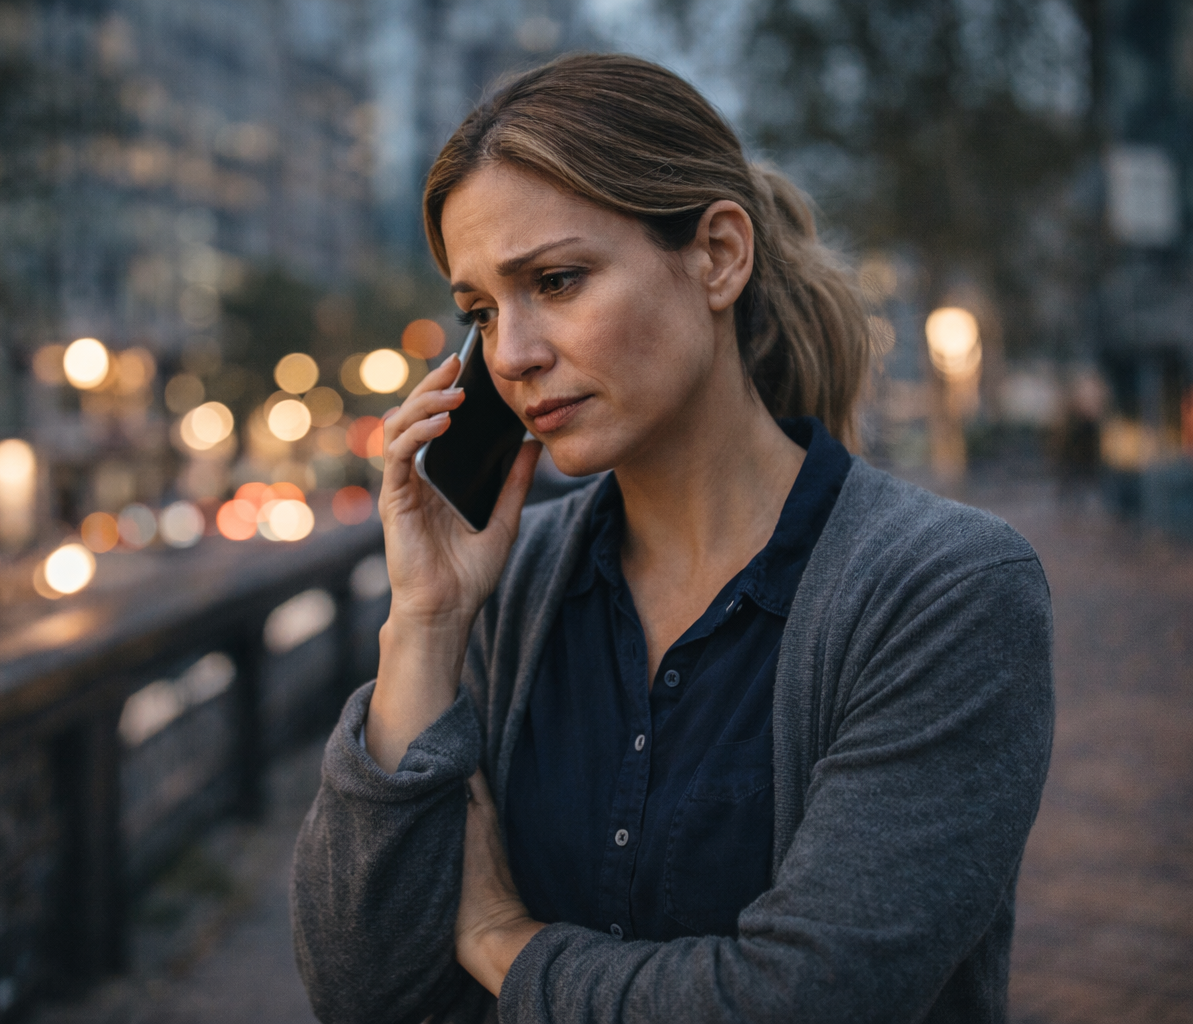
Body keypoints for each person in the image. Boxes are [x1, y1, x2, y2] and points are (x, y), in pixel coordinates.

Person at [291, 54, 1053, 1024]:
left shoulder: (944, 591)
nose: (512, 355)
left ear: (720, 256)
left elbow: (803, 1001)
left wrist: (496, 938)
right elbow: (360, 991)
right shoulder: (508, 589)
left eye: (556, 281)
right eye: (480, 311)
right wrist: (426, 620)